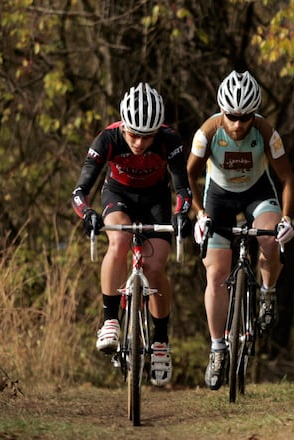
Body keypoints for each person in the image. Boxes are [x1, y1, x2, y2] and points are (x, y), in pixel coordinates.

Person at [71, 82, 191, 387]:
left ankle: (160, 341)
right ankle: (110, 319)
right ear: (123, 126)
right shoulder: (107, 139)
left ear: (158, 131)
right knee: (119, 240)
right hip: (118, 195)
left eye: (147, 136)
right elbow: (79, 191)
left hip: (155, 201)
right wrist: (87, 212)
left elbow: (183, 189)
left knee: (154, 266)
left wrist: (181, 215)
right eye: (134, 134)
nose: (139, 143)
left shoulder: (170, 140)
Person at [187, 70, 294, 391]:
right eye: (232, 116)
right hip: (218, 198)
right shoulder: (207, 133)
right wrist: (199, 214)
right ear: (222, 111)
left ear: (254, 114)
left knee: (270, 237)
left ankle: (267, 292)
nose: (238, 124)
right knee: (217, 274)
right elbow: (188, 177)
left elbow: (288, 179)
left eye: (245, 117)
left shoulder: (265, 132)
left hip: (257, 193)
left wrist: (286, 219)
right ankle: (218, 348)